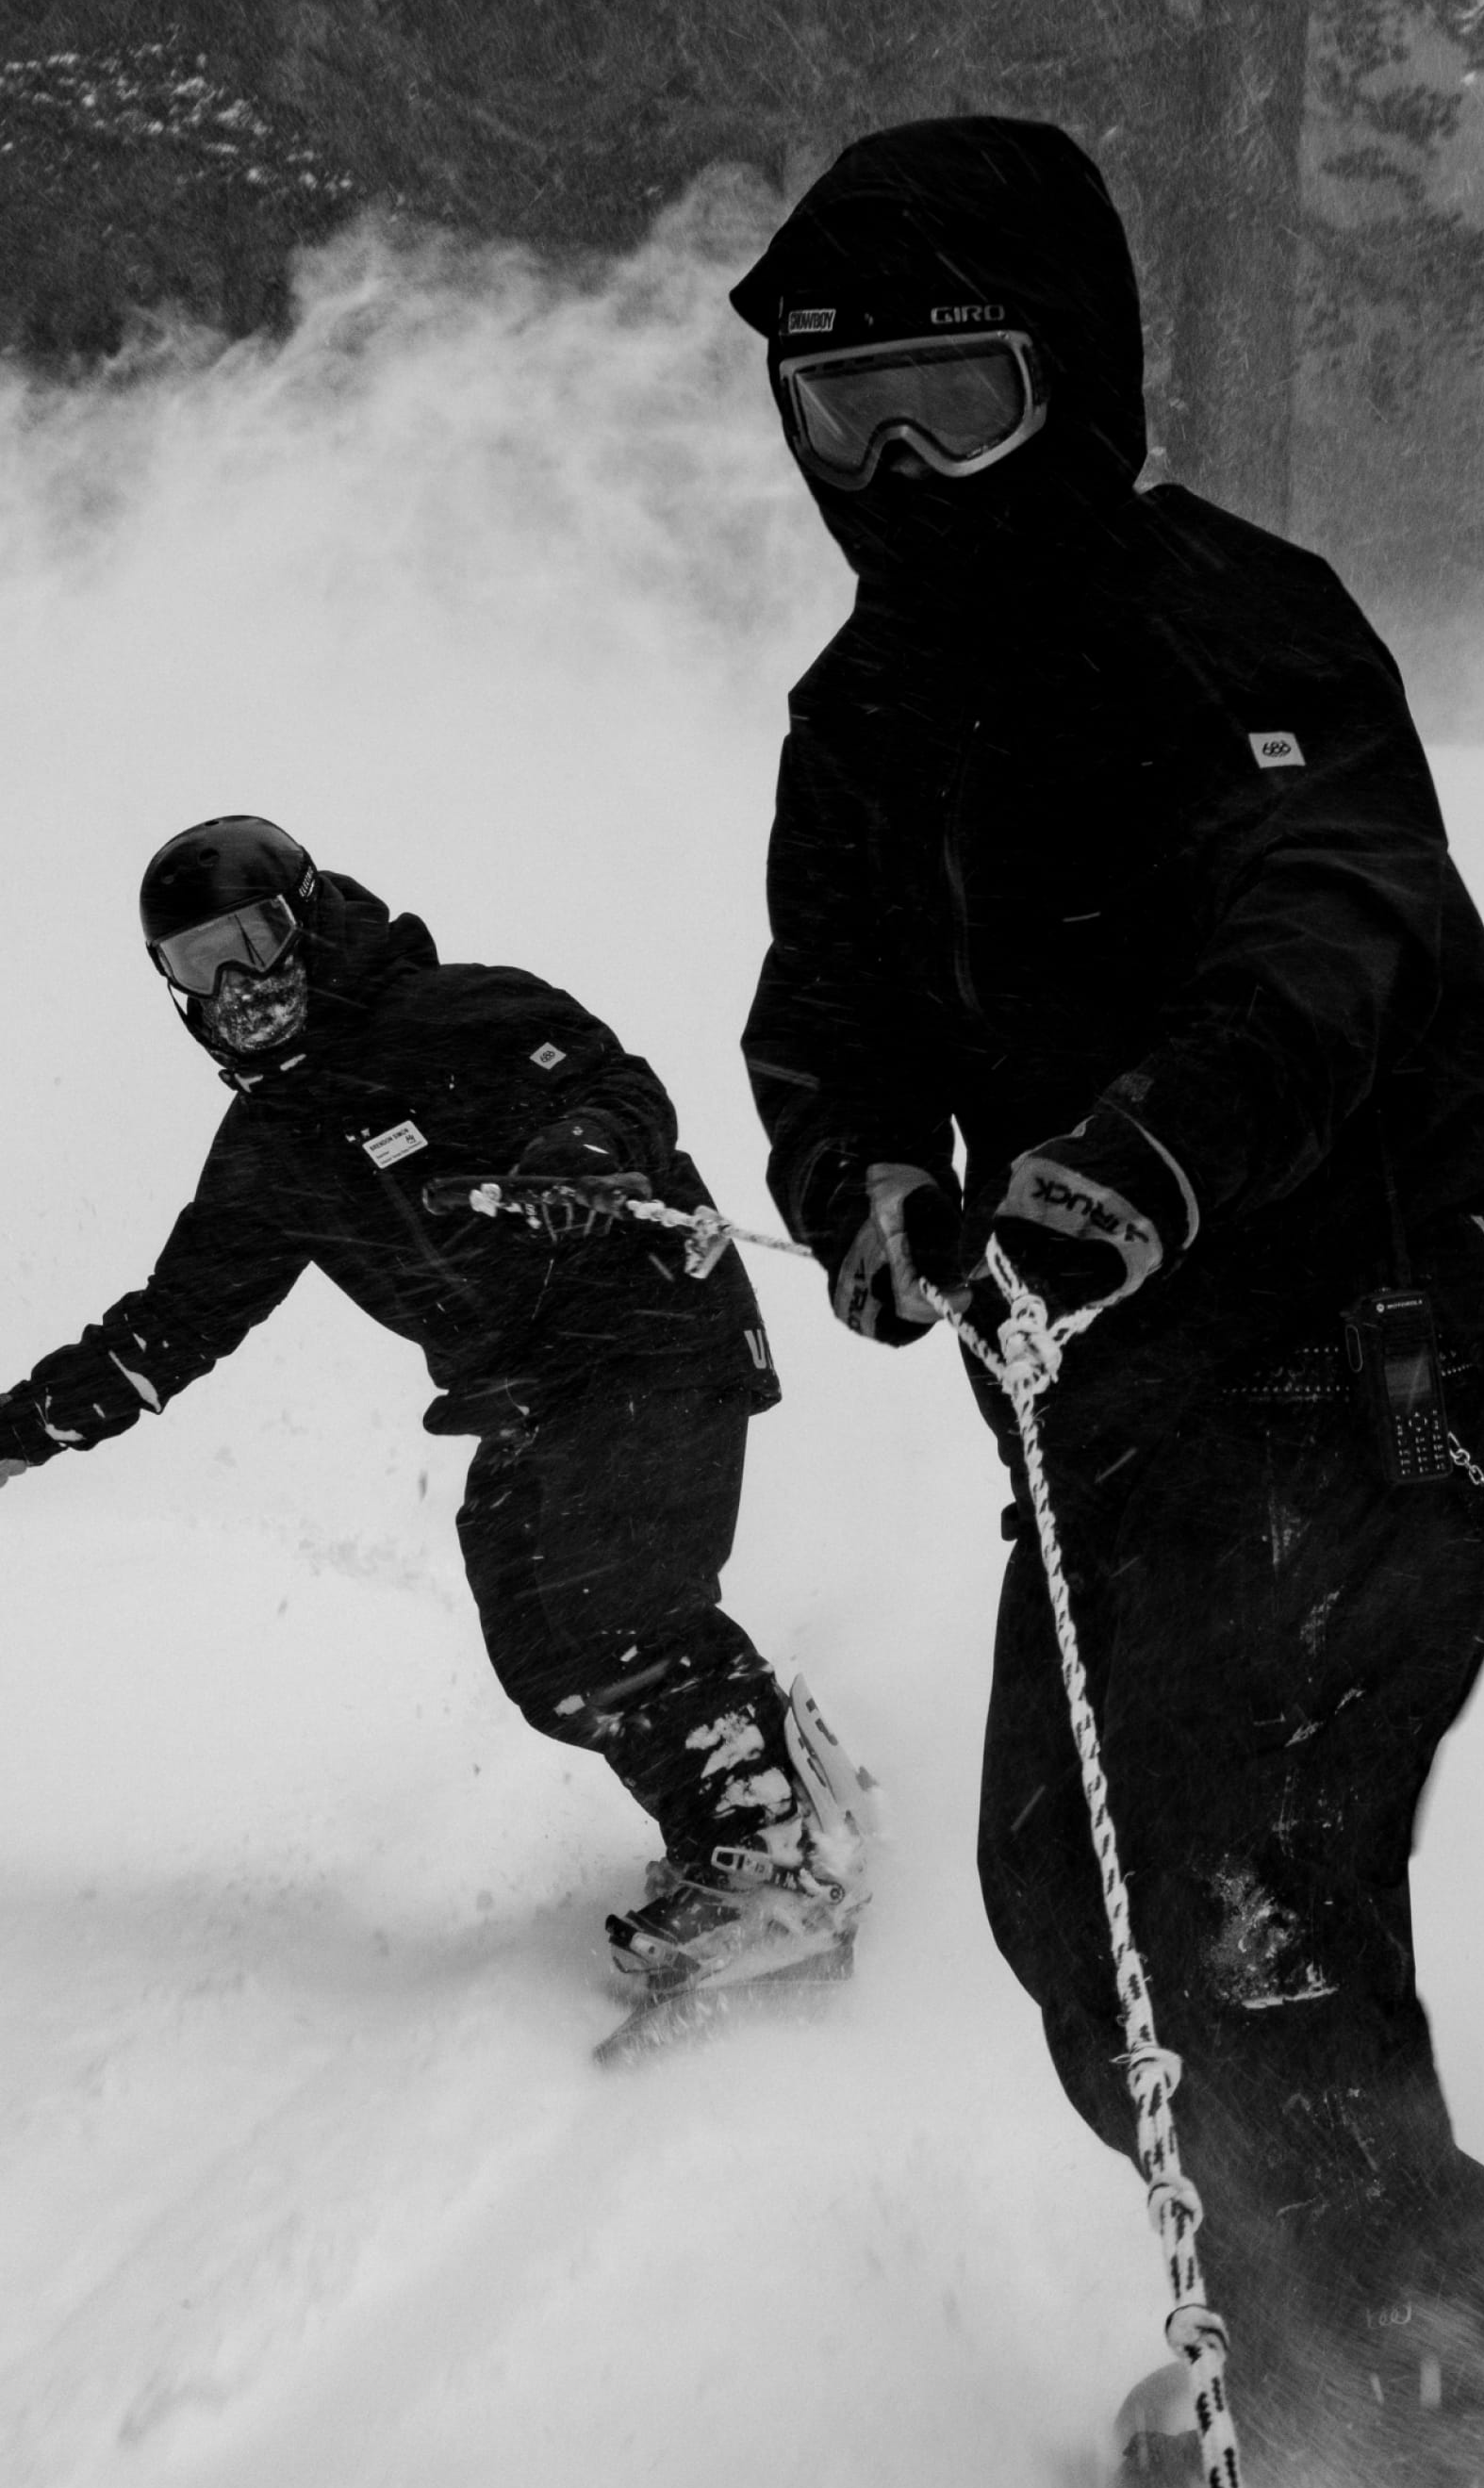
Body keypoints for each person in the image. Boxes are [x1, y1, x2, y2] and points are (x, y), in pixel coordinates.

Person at [729, 119, 1484, 2488]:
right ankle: (1302, 2325)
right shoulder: (860, 712)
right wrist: (870, 1189)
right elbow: (823, 1025)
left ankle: (1425, 2451)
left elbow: (1326, 939)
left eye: (954, 398)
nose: (898, 466)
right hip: (1107, 1410)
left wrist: (1136, 1164)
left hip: (1354, 1362)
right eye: (845, 411)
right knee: (1066, 1892)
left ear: (1082, 381)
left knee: (1250, 1899)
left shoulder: (1239, 625)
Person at [0, 816, 869, 2020]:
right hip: (530, 1396)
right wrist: (17, 1433)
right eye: (200, 965)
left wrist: (580, 1153)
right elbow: (170, 1326)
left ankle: (773, 1854)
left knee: (612, 1598)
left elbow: (618, 1085)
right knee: (542, 1644)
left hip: (651, 1332)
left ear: (308, 919)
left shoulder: (459, 1012)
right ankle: (740, 1812)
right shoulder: (272, 1150)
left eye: (255, 940)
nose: (241, 985)